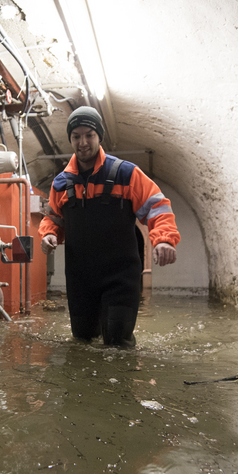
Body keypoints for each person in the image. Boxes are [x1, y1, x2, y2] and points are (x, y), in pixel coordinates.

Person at [40, 106, 180, 347]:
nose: (82, 142)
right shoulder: (61, 183)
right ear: (70, 139)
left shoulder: (126, 174)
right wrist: (49, 234)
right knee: (82, 342)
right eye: (76, 136)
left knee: (118, 343)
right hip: (80, 280)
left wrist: (164, 239)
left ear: (99, 136)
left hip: (121, 278)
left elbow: (157, 206)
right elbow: (54, 217)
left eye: (89, 135)